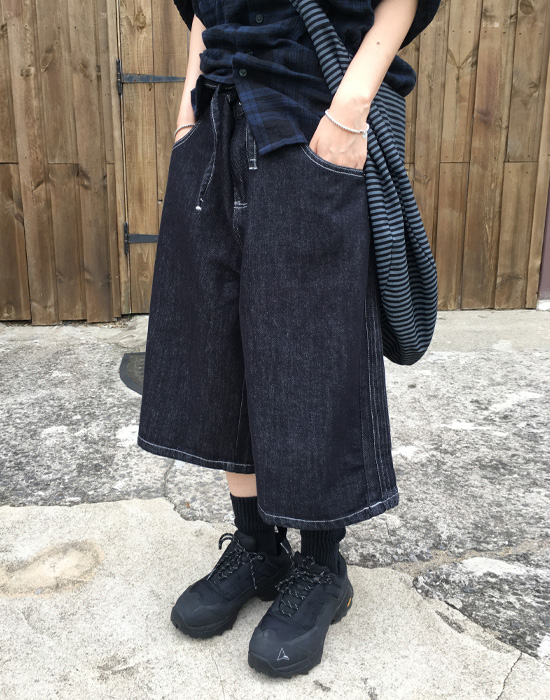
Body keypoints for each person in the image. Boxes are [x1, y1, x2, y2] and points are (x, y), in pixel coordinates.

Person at [137, 0, 441, 678]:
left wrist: (349, 112)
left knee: (311, 355)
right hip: (218, 118)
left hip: (312, 115)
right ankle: (257, 546)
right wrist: (188, 115)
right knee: (219, 348)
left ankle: (322, 565)